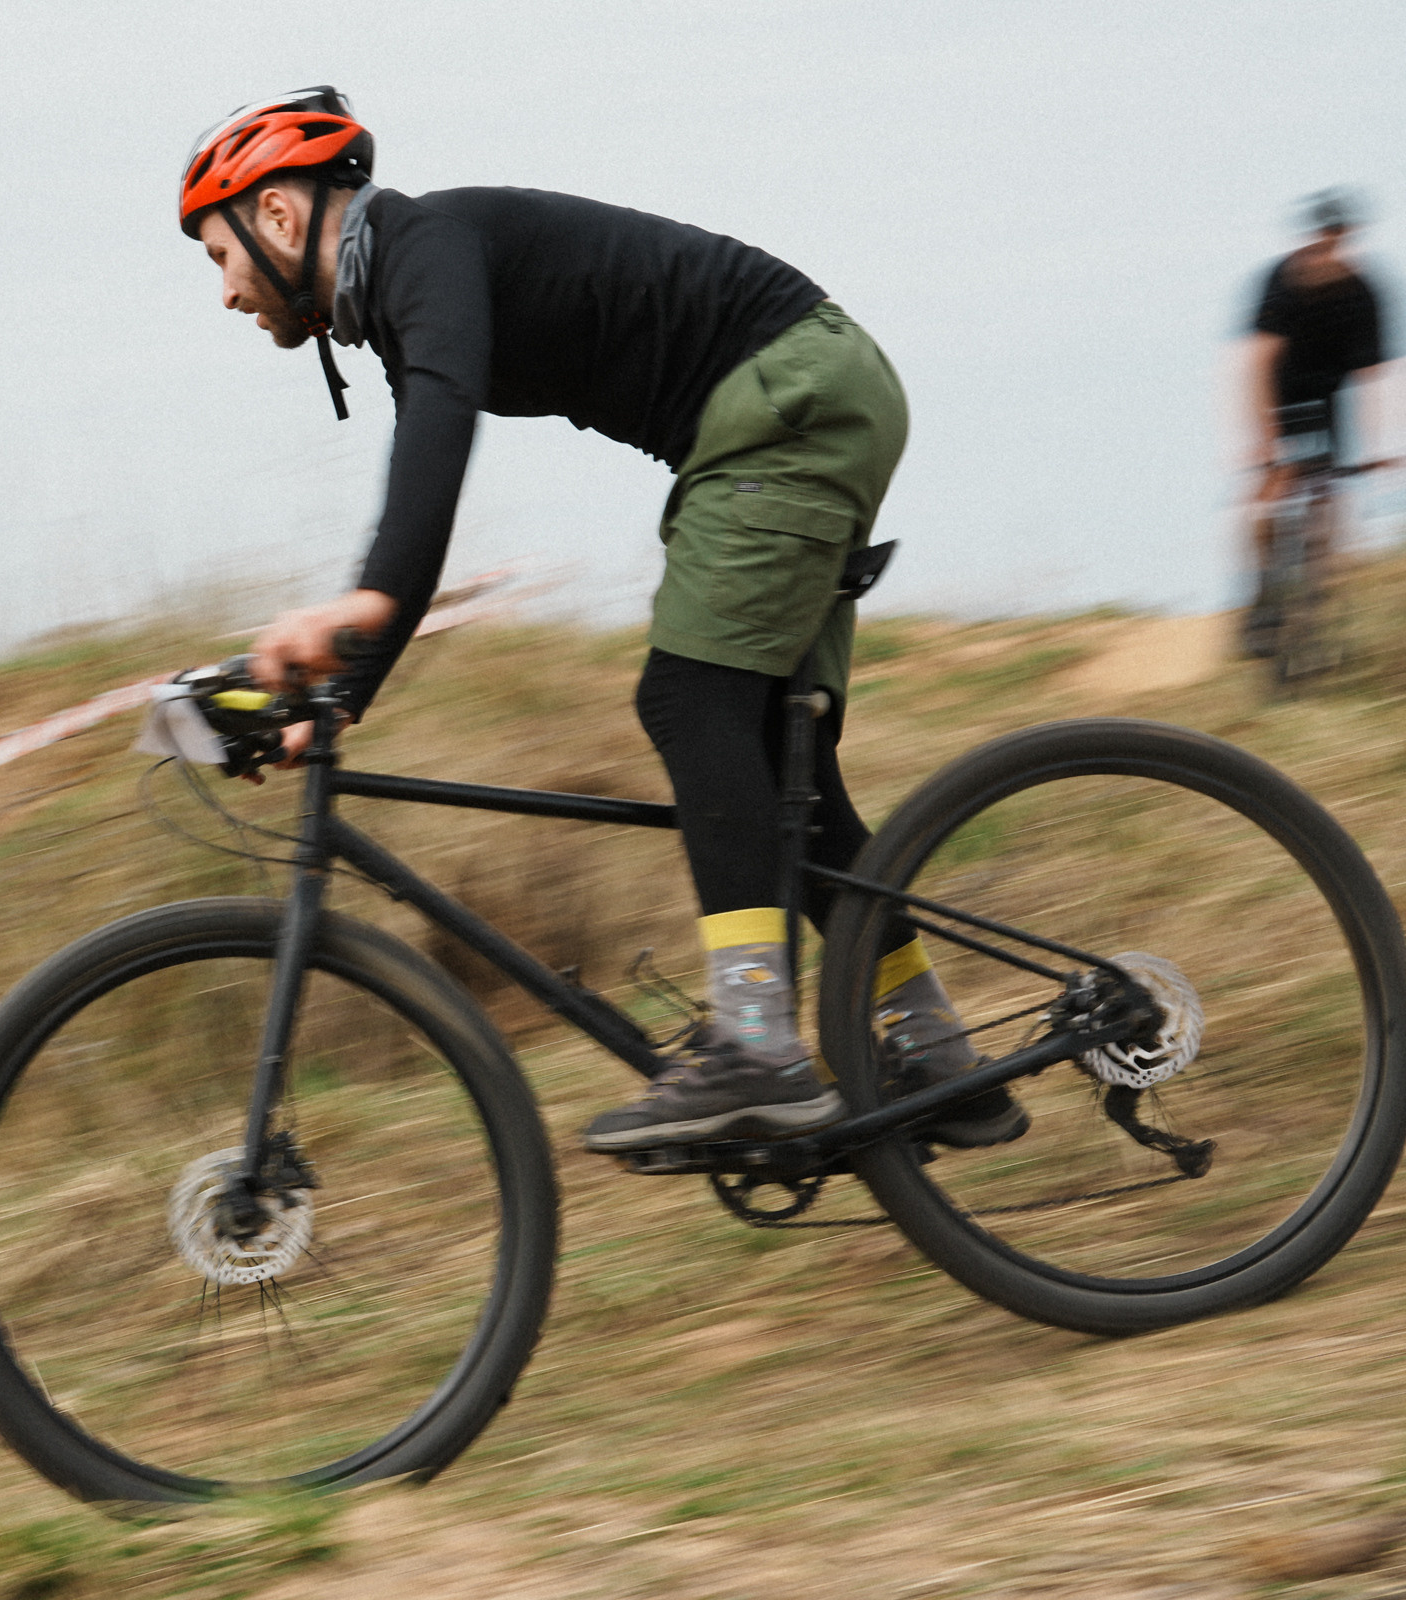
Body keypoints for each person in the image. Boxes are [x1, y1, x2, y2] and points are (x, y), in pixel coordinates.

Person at [181, 86, 1026, 1151]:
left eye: (218, 257)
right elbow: (424, 488)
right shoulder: (408, 291)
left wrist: (363, 603)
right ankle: (934, 1049)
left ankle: (759, 1048)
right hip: (794, 399)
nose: (223, 293)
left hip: (790, 398)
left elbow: (439, 429)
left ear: (281, 218)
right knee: (769, 772)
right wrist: (339, 700)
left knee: (687, 700)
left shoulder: (420, 244)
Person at [1240, 188, 1392, 655]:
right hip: (1279, 392)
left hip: (1329, 397)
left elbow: (1372, 379)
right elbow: (1257, 363)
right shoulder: (1280, 282)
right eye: (1320, 240)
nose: (1327, 250)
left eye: (1337, 240)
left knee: (1329, 498)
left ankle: (1316, 609)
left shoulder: (1364, 293)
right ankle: (1262, 594)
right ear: (1310, 237)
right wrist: (1263, 442)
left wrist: (1375, 450)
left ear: (1347, 238)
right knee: (1267, 494)